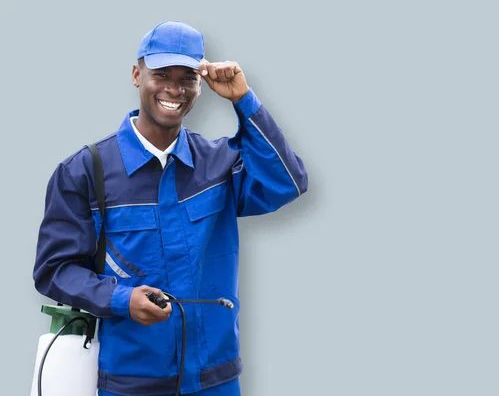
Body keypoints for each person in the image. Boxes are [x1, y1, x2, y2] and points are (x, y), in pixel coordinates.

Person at [32, 21, 308, 396]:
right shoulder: (84, 171)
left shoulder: (219, 164)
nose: (174, 90)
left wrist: (244, 100)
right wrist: (121, 299)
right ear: (136, 74)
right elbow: (55, 270)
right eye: (161, 74)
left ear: (200, 85)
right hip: (131, 382)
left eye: (188, 78)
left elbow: (288, 183)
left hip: (216, 380)